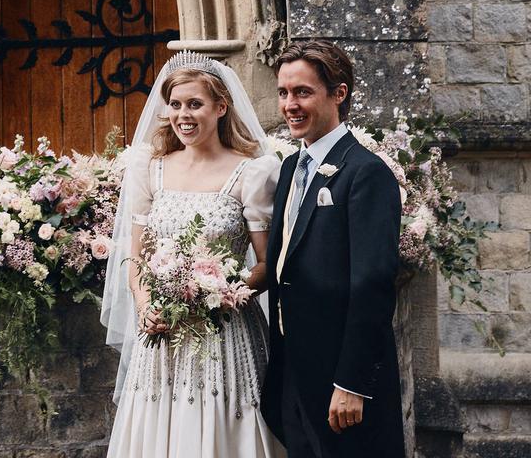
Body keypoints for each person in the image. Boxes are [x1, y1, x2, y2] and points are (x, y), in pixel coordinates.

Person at [101, 51, 284, 458]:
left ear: (221, 107)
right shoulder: (150, 168)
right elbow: (136, 258)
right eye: (176, 104)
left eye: (195, 104)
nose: (183, 115)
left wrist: (218, 293)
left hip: (224, 333)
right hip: (163, 336)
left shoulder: (252, 173)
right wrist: (146, 306)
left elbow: (267, 265)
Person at [262, 40, 405, 458]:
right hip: (293, 371)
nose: (290, 105)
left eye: (302, 92)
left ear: (338, 94)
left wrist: (352, 383)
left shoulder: (366, 173)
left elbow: (372, 285)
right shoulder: (291, 167)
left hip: (342, 382)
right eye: (284, 92)